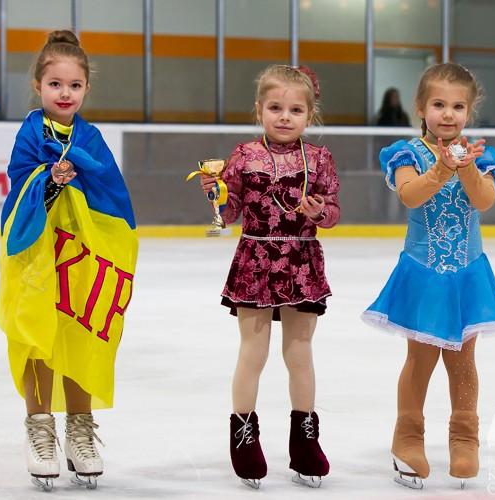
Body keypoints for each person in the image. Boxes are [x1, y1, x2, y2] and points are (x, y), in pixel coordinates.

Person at [361, 63, 495, 489]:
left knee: (463, 359)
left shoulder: (483, 157)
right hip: (424, 273)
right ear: (420, 107)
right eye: (439, 104)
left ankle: (465, 437)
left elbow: (483, 201)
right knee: (421, 357)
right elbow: (410, 195)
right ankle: (408, 437)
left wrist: (465, 167)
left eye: (458, 106)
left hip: (467, 274)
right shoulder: (407, 154)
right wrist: (442, 169)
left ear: (469, 111)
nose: (448, 114)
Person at [0, 30, 137, 492]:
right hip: (38, 252)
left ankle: (80, 428)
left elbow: (111, 193)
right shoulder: (30, 131)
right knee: (38, 335)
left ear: (86, 89)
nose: (65, 93)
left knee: (79, 332)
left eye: (74, 85)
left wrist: (79, 180)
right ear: (38, 85)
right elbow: (19, 181)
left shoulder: (91, 137)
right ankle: (40, 428)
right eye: (55, 84)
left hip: (80, 253)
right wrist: (50, 178)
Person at [199, 64, 340, 489]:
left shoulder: (319, 158)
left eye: (295, 110)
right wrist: (216, 195)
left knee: (299, 353)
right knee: (253, 353)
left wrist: (320, 212)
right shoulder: (244, 155)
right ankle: (244, 434)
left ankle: (305, 439)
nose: (284, 117)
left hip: (301, 259)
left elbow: (333, 213)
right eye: (275, 107)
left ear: (309, 115)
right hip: (256, 259)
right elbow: (229, 212)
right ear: (259, 109)